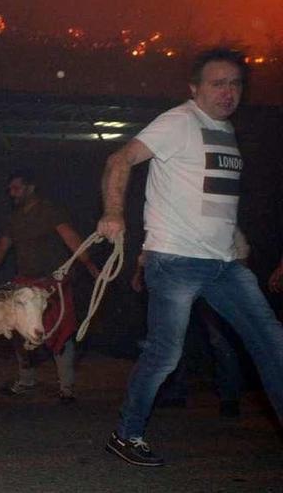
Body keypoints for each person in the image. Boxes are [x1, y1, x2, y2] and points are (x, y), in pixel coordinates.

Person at [97, 48, 283, 467]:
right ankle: (127, 434)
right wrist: (112, 212)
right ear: (195, 88)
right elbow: (119, 158)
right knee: (166, 353)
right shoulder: (178, 121)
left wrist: (234, 232)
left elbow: (209, 193)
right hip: (176, 261)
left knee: (273, 342)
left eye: (235, 84)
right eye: (218, 83)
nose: (228, 92)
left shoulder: (226, 130)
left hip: (224, 265)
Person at [0, 167, 99, 404]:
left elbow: (71, 237)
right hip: (25, 283)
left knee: (60, 331)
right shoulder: (15, 218)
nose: (12, 193)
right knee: (20, 330)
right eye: (10, 189)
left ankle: (66, 387)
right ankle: (26, 380)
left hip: (52, 282)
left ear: (30, 187)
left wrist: (89, 265)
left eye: (16, 188)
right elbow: (3, 246)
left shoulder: (50, 210)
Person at [130, 239, 246, 418]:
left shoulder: (217, 218)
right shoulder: (174, 219)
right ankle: (175, 392)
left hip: (210, 280)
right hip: (178, 280)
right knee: (174, 337)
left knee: (219, 339)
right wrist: (140, 271)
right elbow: (153, 243)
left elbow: (238, 249)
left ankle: (229, 398)